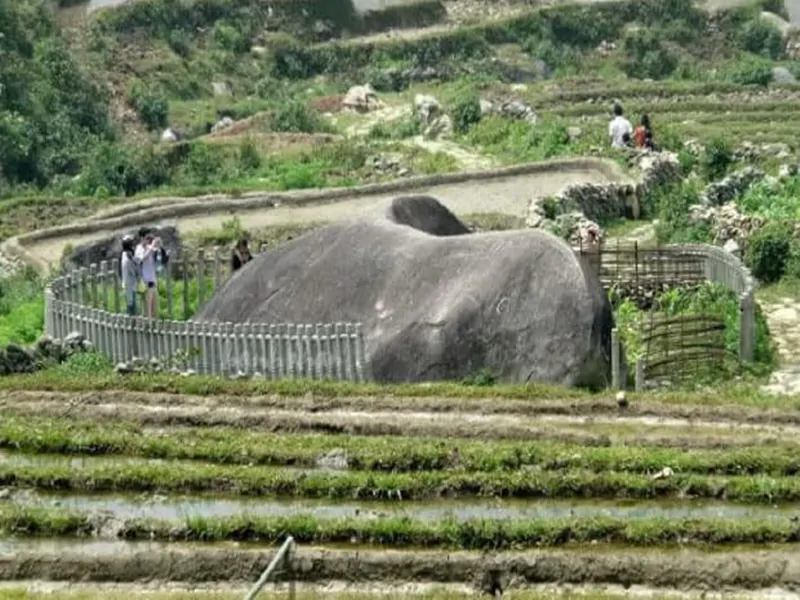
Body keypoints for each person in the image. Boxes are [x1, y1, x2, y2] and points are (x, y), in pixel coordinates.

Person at [134, 227, 161, 318]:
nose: (149, 240)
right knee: (147, 311)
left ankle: (155, 330)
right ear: (142, 238)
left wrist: (158, 246)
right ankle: (148, 330)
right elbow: (141, 259)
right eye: (147, 238)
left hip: (153, 282)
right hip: (145, 283)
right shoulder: (139, 249)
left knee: (155, 311)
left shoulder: (150, 248)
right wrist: (151, 247)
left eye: (151, 238)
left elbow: (160, 259)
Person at [120, 234, 139, 316]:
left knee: (132, 305)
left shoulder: (127, 255)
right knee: (131, 306)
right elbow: (133, 270)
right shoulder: (127, 257)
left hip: (131, 284)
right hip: (129, 285)